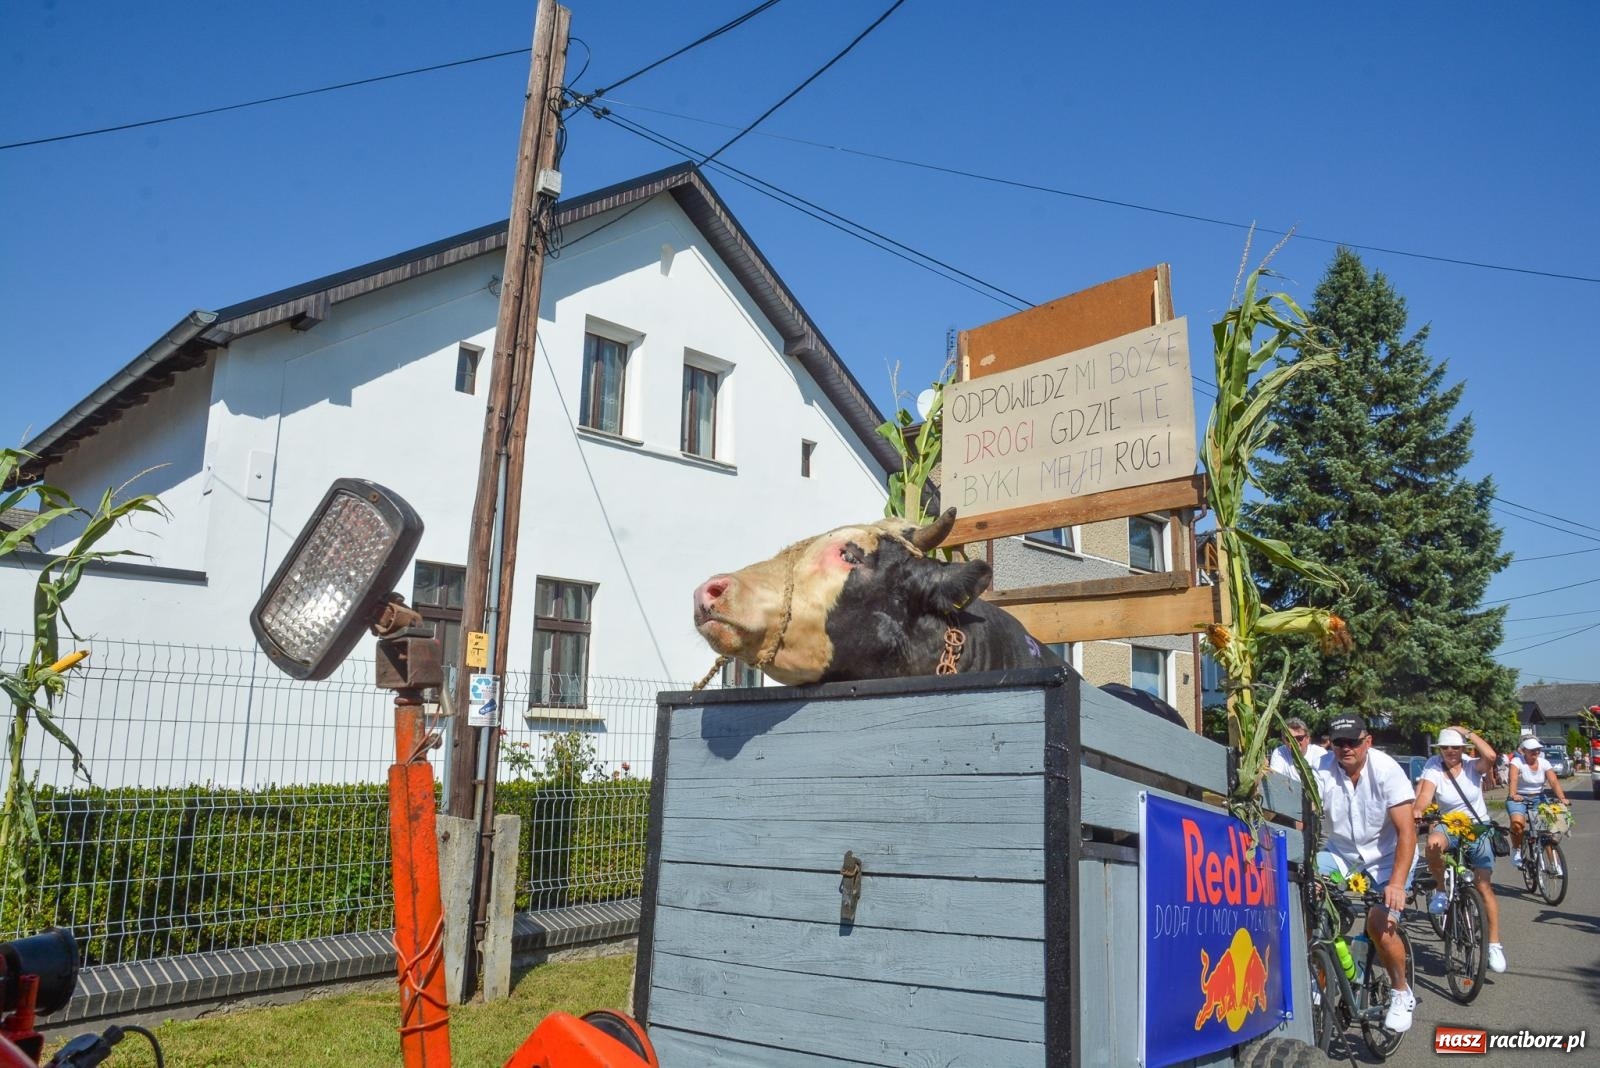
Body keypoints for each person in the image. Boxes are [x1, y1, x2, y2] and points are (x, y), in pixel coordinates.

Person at [1310, 713, 1418, 1033]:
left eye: (1353, 742)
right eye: (1339, 742)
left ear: (1367, 741)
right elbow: (1305, 819)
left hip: (1386, 858)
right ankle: (1323, 974)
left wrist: (1397, 883)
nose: (1345, 748)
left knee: (1379, 923)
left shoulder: (1386, 770)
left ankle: (1401, 991)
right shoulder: (1321, 771)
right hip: (1341, 855)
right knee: (1304, 898)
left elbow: (1407, 832)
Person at [1413, 725, 1505, 975]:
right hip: (1448, 825)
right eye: (1445, 747)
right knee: (1432, 845)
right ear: (1439, 749)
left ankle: (1494, 944)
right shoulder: (1434, 765)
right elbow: (1425, 794)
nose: (1450, 751)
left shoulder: (1473, 765)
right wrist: (1419, 809)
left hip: (1477, 825)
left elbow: (1492, 757)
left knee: (1483, 886)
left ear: (1463, 748)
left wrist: (1467, 733)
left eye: (1455, 747)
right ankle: (1441, 890)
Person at [1506, 736, 1570, 864]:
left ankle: (1554, 865)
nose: (1535, 753)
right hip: (1519, 797)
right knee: (1518, 825)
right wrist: (1513, 794)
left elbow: (1553, 781)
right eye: (1532, 750)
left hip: (1538, 797)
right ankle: (1517, 849)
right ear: (1524, 751)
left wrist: (1562, 798)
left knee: (1546, 831)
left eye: (1537, 750)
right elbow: (1513, 779)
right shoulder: (1517, 762)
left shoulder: (1544, 763)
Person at [1268, 717, 1328, 782]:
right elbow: (1276, 780)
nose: (1295, 743)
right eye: (1289, 739)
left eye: (1299, 738)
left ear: (1308, 739)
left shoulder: (1320, 754)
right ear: (1284, 741)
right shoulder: (1279, 753)